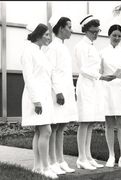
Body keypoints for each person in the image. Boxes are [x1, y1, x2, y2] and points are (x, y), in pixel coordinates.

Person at [74, 15, 116, 170]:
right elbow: (83, 69)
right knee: (84, 122)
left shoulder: (92, 46)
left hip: (94, 86)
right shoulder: (80, 46)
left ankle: (88, 156)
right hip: (85, 85)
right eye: (93, 32)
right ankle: (81, 158)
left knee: (90, 122)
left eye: (98, 31)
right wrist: (101, 77)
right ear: (86, 31)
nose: (96, 34)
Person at [21, 23, 58, 179]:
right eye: (47, 35)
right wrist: (36, 101)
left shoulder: (40, 52)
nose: (49, 38)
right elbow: (28, 78)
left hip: (44, 97)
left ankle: (37, 167)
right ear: (38, 34)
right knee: (46, 131)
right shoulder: (28, 52)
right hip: (35, 98)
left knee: (39, 131)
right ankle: (45, 167)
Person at [99, 24, 121, 169]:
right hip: (107, 90)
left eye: (119, 36)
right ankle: (111, 155)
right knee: (108, 123)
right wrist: (105, 77)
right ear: (109, 36)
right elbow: (98, 72)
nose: (117, 38)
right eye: (114, 35)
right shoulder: (102, 52)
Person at [46, 16, 78, 174]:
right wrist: (58, 91)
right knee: (54, 126)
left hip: (66, 90)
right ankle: (52, 160)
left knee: (61, 126)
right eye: (69, 27)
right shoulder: (52, 47)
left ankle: (60, 159)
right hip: (57, 92)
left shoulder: (63, 47)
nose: (71, 30)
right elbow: (52, 71)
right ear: (61, 28)